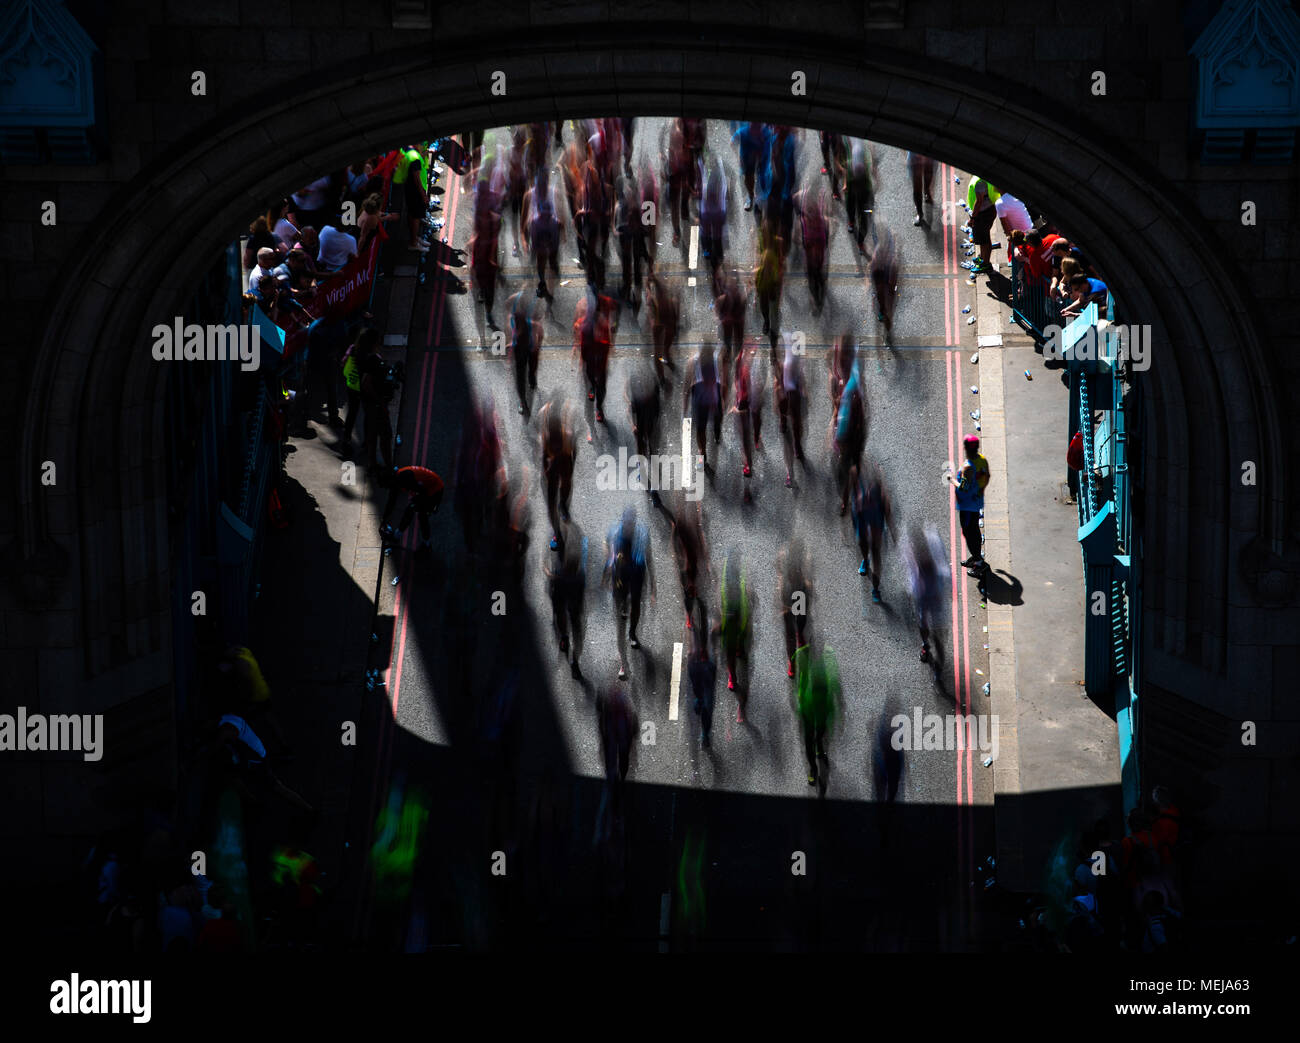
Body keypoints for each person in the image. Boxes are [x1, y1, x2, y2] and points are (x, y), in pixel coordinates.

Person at [604, 506, 655, 680]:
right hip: (619, 578)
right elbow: (609, 551)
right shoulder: (615, 532)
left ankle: (632, 632)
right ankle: (623, 664)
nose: (628, 527)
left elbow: (649, 557)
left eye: (631, 524)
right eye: (626, 524)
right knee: (620, 622)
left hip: (637, 576)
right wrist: (607, 573)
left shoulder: (642, 534)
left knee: (635, 606)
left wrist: (653, 584)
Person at [793, 641, 840, 794]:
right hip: (808, 708)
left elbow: (835, 684)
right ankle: (813, 768)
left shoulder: (829, 656)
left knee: (819, 734)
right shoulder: (804, 654)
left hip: (821, 709)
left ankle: (819, 748)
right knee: (808, 741)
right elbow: (796, 664)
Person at [543, 521, 587, 678]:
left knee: (565, 618)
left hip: (566, 592)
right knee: (572, 626)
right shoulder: (575, 576)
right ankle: (567, 642)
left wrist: (549, 572)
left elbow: (547, 566)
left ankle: (566, 642)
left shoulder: (565, 576)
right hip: (567, 593)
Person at [903, 522, 949, 666]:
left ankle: (938, 643)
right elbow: (910, 572)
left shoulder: (934, 543)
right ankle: (925, 644)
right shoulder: (909, 550)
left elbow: (943, 564)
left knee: (938, 627)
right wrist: (913, 590)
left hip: (935, 589)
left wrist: (946, 586)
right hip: (922, 593)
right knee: (922, 622)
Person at [946, 433, 990, 573]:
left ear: (966, 448)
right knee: (974, 530)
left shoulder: (967, 467)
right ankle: (976, 556)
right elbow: (987, 476)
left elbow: (963, 488)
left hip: (967, 506)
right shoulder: (982, 460)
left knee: (969, 532)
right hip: (976, 501)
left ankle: (978, 562)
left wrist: (951, 479)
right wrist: (980, 490)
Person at [717, 546, 752, 721]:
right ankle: (732, 676)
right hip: (730, 624)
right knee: (730, 654)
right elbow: (721, 600)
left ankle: (742, 704)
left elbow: (747, 591)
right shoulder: (726, 582)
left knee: (743, 660)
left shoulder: (739, 575)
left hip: (742, 621)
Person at [851, 462, 895, 603]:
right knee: (863, 545)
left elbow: (888, 514)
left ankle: (876, 589)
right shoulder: (858, 487)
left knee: (876, 555)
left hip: (876, 524)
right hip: (863, 523)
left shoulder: (882, 499)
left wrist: (893, 531)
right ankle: (865, 559)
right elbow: (853, 510)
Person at [538, 398, 577, 551]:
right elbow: (543, 454)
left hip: (564, 459)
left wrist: (571, 470)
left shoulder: (567, 436)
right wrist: (545, 471)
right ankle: (557, 534)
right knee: (550, 504)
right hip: (553, 464)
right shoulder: (546, 436)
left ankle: (563, 505)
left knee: (566, 484)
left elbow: (575, 451)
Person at [381, 466, 444, 551]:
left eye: (387, 486)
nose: (387, 488)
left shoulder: (405, 479)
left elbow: (423, 492)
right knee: (411, 510)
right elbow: (391, 501)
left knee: (421, 516)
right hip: (427, 488)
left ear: (390, 481)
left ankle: (427, 546)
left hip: (435, 490)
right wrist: (384, 519)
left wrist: (417, 502)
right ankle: (397, 536)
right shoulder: (397, 477)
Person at [777, 537, 813, 678]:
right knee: (789, 632)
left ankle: (800, 634)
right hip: (788, 593)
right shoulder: (783, 557)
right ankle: (792, 661)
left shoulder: (804, 559)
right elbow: (780, 576)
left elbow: (808, 575)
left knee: (800, 621)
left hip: (799, 592)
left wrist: (808, 585)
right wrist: (782, 604)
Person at [684, 344, 723, 470]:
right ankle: (702, 453)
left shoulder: (717, 360)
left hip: (712, 395)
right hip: (701, 398)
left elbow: (724, 380)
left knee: (715, 421)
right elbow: (687, 386)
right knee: (700, 429)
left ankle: (716, 432)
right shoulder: (693, 362)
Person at [506, 287, 543, 417]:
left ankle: (532, 376)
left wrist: (537, 343)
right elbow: (509, 317)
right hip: (519, 347)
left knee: (532, 368)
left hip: (531, 345)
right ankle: (522, 402)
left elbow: (539, 326)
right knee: (520, 376)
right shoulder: (515, 301)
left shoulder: (534, 306)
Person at [869, 224, 900, 345]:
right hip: (880, 280)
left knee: (887, 311)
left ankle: (888, 331)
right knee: (882, 306)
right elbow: (872, 269)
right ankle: (883, 312)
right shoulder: (878, 253)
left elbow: (893, 278)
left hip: (886, 282)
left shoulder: (891, 258)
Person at [687, 626, 717, 748]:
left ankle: (705, 734)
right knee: (700, 693)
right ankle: (699, 700)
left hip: (705, 665)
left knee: (707, 705)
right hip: (698, 664)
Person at [966, 176, 1001, 271]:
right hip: (989, 209)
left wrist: (972, 218)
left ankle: (986, 264)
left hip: (983, 213)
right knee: (983, 237)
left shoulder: (979, 183)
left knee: (985, 239)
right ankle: (982, 258)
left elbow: (979, 201)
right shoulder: (981, 179)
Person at [906, 151, 936, 226]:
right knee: (917, 186)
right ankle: (920, 213)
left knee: (929, 172)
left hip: (928, 151)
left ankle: (927, 192)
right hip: (915, 154)